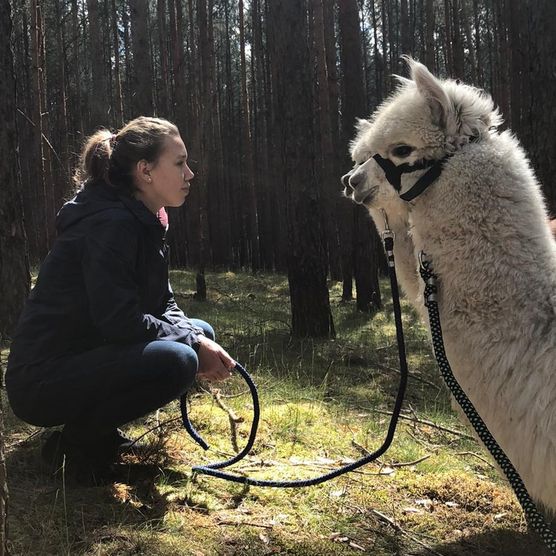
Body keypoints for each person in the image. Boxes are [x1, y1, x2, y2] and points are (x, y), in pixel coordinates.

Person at [6, 116, 235, 478]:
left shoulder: (144, 220)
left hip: (81, 359)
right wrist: (191, 344)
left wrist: (196, 338)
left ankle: (99, 434)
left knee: (199, 333)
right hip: (40, 381)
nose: (189, 174)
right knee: (178, 359)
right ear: (145, 171)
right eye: (179, 163)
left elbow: (163, 303)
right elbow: (120, 321)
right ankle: (76, 454)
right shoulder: (112, 224)